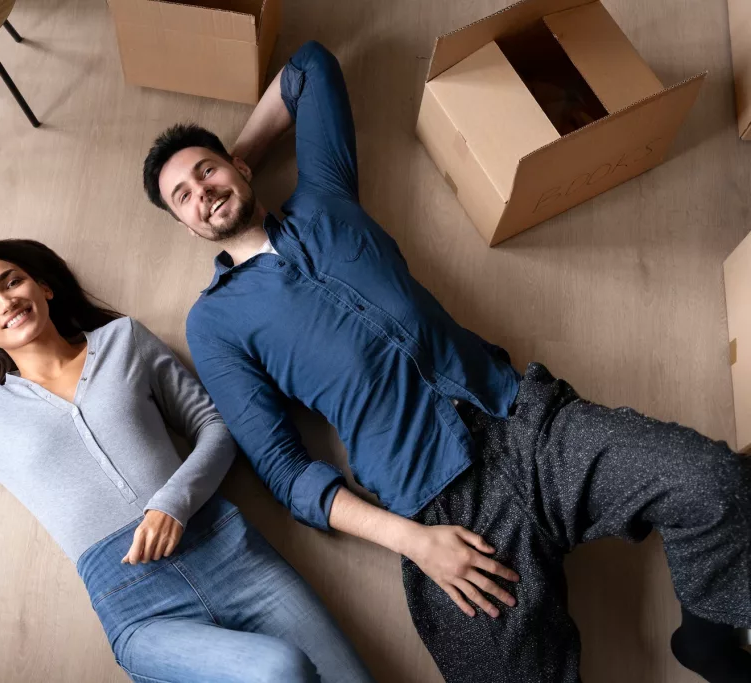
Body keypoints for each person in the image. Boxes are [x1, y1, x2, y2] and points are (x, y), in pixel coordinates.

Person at [142, 40, 751, 683]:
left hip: (528, 422)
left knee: (715, 482)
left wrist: (235, 163)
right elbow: (286, 473)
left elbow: (309, 67)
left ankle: (708, 643)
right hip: (442, 510)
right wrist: (415, 543)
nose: (201, 194)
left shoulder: (324, 198)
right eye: (182, 197)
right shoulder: (213, 323)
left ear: (237, 165)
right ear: (185, 227)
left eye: (205, 172)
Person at [0, 239, 375, 683]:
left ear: (42, 287)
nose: (4, 301)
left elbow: (213, 426)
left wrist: (174, 503)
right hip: (141, 609)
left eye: (11, 281)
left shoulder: (123, 340)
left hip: (235, 557)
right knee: (279, 670)